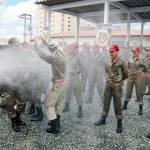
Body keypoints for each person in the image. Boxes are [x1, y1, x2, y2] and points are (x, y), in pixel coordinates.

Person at [32, 38, 66, 134]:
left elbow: (41, 55)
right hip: (62, 83)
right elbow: (52, 48)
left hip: (57, 85)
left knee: (48, 104)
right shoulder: (60, 53)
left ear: (51, 50)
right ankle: (58, 124)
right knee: (58, 104)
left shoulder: (53, 57)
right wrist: (46, 43)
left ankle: (54, 126)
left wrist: (35, 44)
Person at [94, 44, 128, 133]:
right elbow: (106, 71)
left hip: (117, 85)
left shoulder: (122, 62)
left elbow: (125, 74)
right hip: (108, 84)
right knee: (106, 102)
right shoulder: (107, 61)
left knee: (117, 104)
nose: (111, 53)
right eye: (110, 51)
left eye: (113, 51)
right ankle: (103, 118)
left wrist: (119, 81)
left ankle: (119, 122)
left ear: (117, 51)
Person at [0, 37, 27, 132]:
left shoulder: (20, 54)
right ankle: (14, 121)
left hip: (19, 80)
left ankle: (17, 117)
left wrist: (26, 73)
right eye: (16, 45)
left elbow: (24, 65)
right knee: (9, 103)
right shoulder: (4, 55)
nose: (18, 47)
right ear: (11, 46)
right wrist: (6, 77)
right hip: (7, 83)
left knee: (23, 100)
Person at [122, 46, 147, 115]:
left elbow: (145, 67)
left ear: (138, 52)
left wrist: (142, 73)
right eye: (133, 51)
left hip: (138, 77)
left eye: (135, 51)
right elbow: (128, 67)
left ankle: (140, 108)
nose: (133, 53)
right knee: (128, 91)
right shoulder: (130, 58)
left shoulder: (141, 59)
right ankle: (125, 105)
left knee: (139, 92)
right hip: (131, 77)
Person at [62, 43, 83, 118]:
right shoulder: (67, 55)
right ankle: (67, 106)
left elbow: (82, 66)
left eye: (72, 48)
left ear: (75, 49)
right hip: (68, 76)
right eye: (70, 48)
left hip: (75, 76)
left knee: (77, 93)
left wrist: (78, 71)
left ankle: (80, 109)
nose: (71, 50)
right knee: (67, 91)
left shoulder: (78, 56)